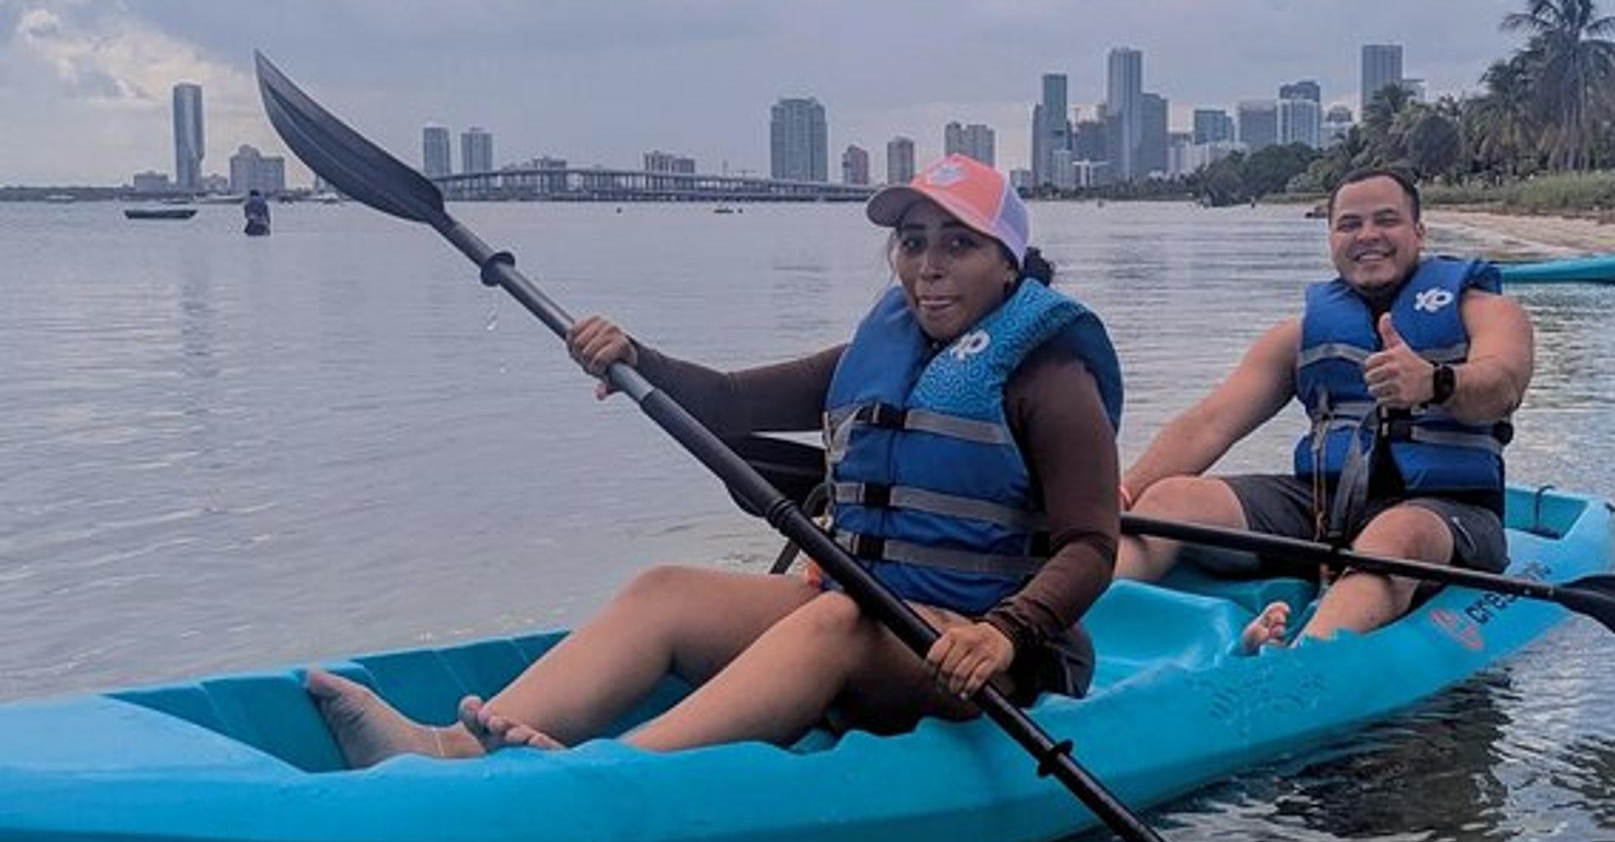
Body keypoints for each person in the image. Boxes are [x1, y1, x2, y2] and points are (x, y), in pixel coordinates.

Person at [306, 155, 1123, 765]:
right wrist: (635, 359)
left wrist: (1006, 633)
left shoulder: (1050, 377)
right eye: (912, 243)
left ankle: (619, 775)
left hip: (984, 660)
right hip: (875, 617)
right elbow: (730, 401)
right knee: (668, 589)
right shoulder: (884, 353)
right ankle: (449, 748)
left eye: (958, 243)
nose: (928, 265)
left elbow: (1092, 543)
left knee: (834, 620)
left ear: (1008, 262)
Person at [1117, 169, 1533, 650]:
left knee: (1396, 534)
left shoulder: (1484, 311)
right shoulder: (1298, 336)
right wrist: (1124, 494)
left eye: (1386, 220)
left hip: (1447, 514)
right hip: (1324, 510)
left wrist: (1435, 382)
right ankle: (1067, 621)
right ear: (1331, 238)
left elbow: (1504, 386)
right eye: (1349, 224)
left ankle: (1298, 664)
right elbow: (1209, 424)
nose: (1368, 235)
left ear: (1419, 232)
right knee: (1170, 500)